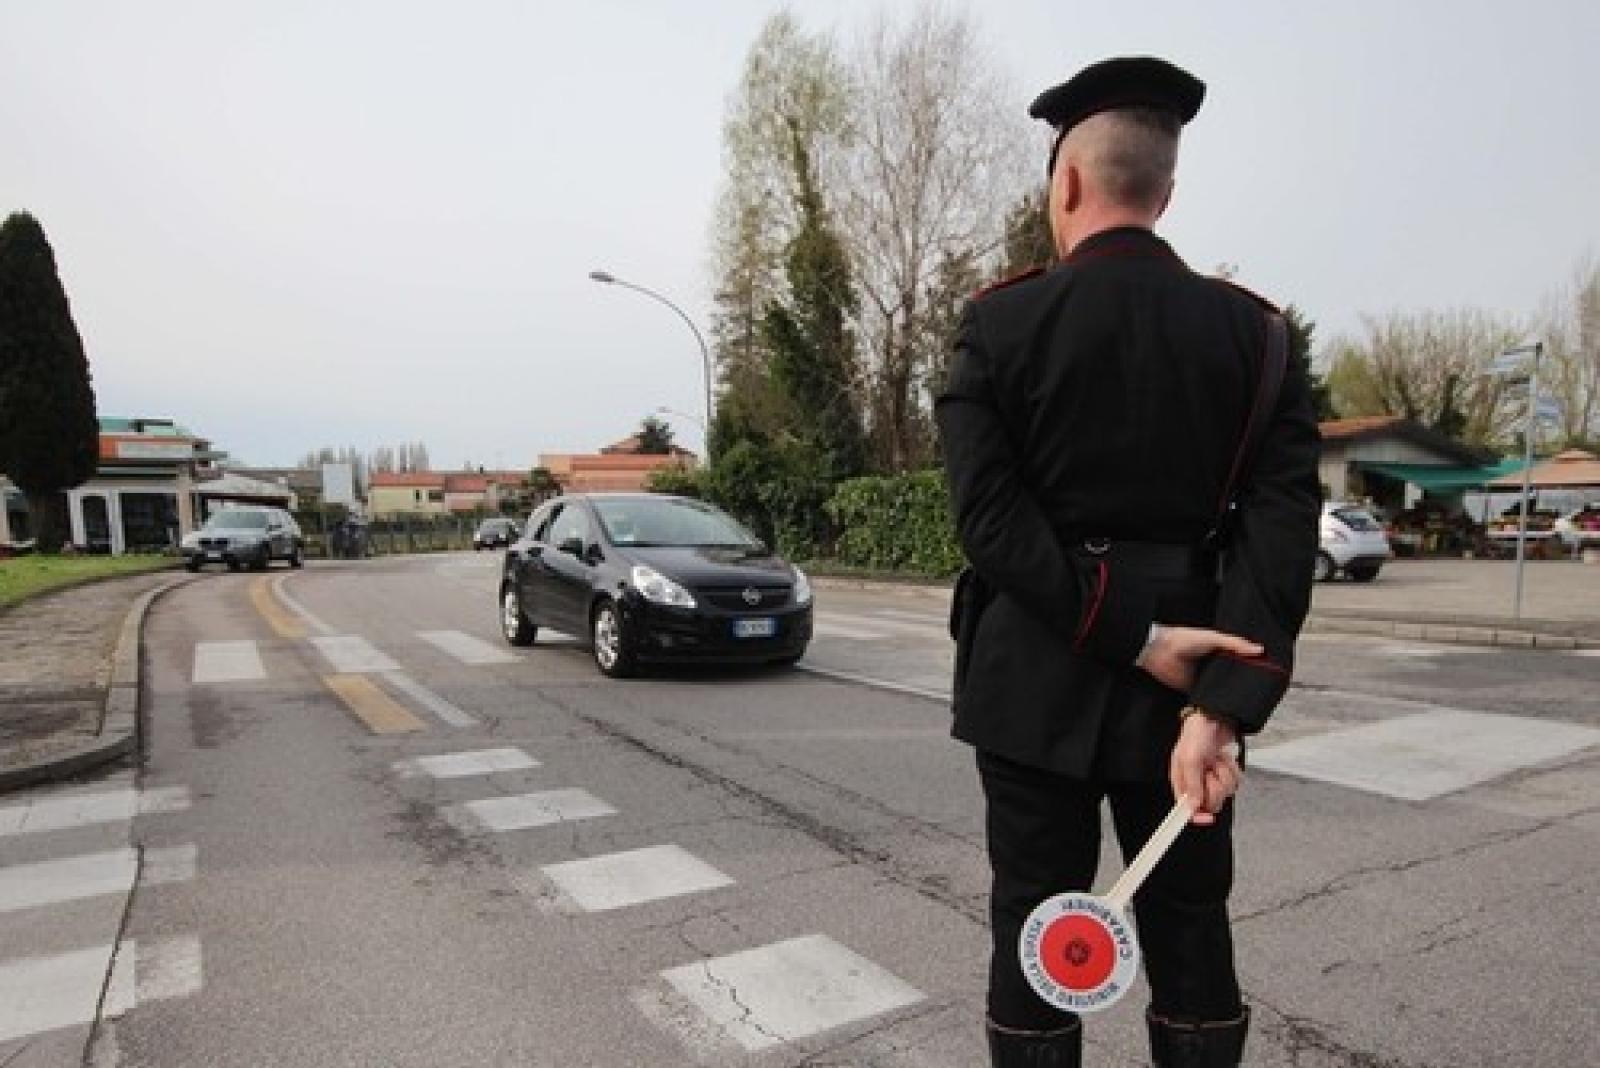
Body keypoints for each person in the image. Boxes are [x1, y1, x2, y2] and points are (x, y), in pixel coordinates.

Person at [935, 56, 1321, 1067]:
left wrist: (1129, 636)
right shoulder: (1260, 338)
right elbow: (1279, 537)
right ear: (1165, 194)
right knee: (1190, 928)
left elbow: (992, 525)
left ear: (1066, 183)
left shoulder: (998, 324)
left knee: (1037, 929)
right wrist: (1220, 707)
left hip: (1035, 674)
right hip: (1193, 686)